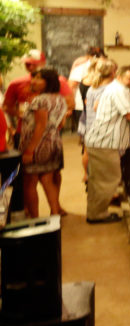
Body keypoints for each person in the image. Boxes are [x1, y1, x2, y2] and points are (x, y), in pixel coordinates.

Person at [84, 65, 130, 224]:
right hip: (105, 142)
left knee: (98, 180)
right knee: (109, 179)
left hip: (100, 140)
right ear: (119, 76)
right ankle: (98, 215)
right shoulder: (119, 90)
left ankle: (94, 212)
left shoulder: (114, 87)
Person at [19, 69, 70, 217]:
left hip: (38, 146)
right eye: (34, 78)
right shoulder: (60, 98)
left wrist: (29, 150)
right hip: (54, 143)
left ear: (48, 82)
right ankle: (55, 214)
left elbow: (40, 126)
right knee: (48, 180)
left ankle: (35, 219)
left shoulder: (40, 100)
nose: (34, 81)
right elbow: (60, 124)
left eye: (39, 79)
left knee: (30, 182)